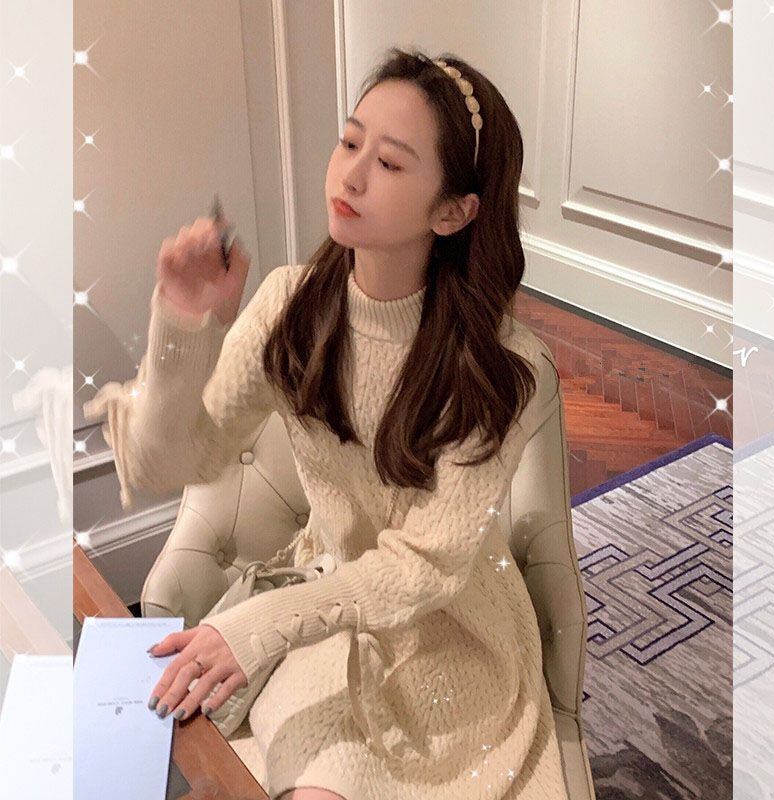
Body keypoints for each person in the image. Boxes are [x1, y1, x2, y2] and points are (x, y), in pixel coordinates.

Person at [84, 47, 569, 800]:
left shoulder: (498, 365)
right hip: (330, 611)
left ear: (452, 211)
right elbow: (167, 462)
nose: (350, 175)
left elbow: (424, 568)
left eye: (391, 162)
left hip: (452, 635)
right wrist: (182, 320)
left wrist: (257, 628)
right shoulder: (292, 305)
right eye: (349, 142)